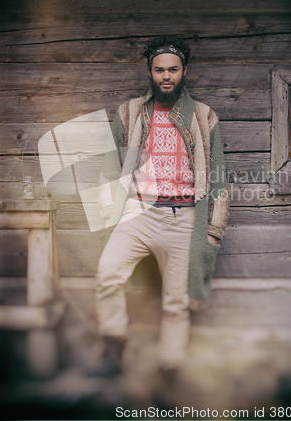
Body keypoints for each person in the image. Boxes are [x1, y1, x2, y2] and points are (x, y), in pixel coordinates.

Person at [93, 35, 230, 379]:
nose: (166, 76)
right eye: (159, 70)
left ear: (184, 71)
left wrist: (212, 232)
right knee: (107, 273)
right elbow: (109, 170)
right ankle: (113, 346)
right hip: (137, 213)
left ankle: (169, 369)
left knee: (176, 301)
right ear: (150, 72)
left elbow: (218, 177)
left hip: (184, 219)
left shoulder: (204, 116)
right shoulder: (129, 112)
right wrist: (108, 217)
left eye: (172, 69)